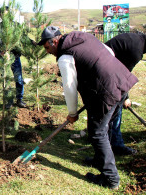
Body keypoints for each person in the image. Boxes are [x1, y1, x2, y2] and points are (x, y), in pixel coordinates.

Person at [38, 26, 138, 189]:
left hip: (106, 91)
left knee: (97, 132)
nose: (47, 51)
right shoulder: (81, 36)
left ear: (55, 41)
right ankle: (100, 160)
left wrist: (72, 113)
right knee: (103, 128)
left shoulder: (65, 57)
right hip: (121, 81)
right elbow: (109, 52)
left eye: (47, 47)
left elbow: (69, 87)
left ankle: (111, 178)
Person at [105, 32, 146, 155]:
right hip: (105, 74)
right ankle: (115, 145)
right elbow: (123, 77)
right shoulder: (136, 51)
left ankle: (103, 137)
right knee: (115, 107)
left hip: (106, 70)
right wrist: (126, 97)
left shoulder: (136, 39)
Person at [0, 6, 26, 108]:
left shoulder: (16, 26)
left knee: (18, 78)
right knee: (6, 79)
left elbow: (24, 38)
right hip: (3, 58)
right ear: (0, 15)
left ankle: (19, 99)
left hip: (15, 56)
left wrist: (33, 43)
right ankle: (8, 101)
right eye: (3, 15)